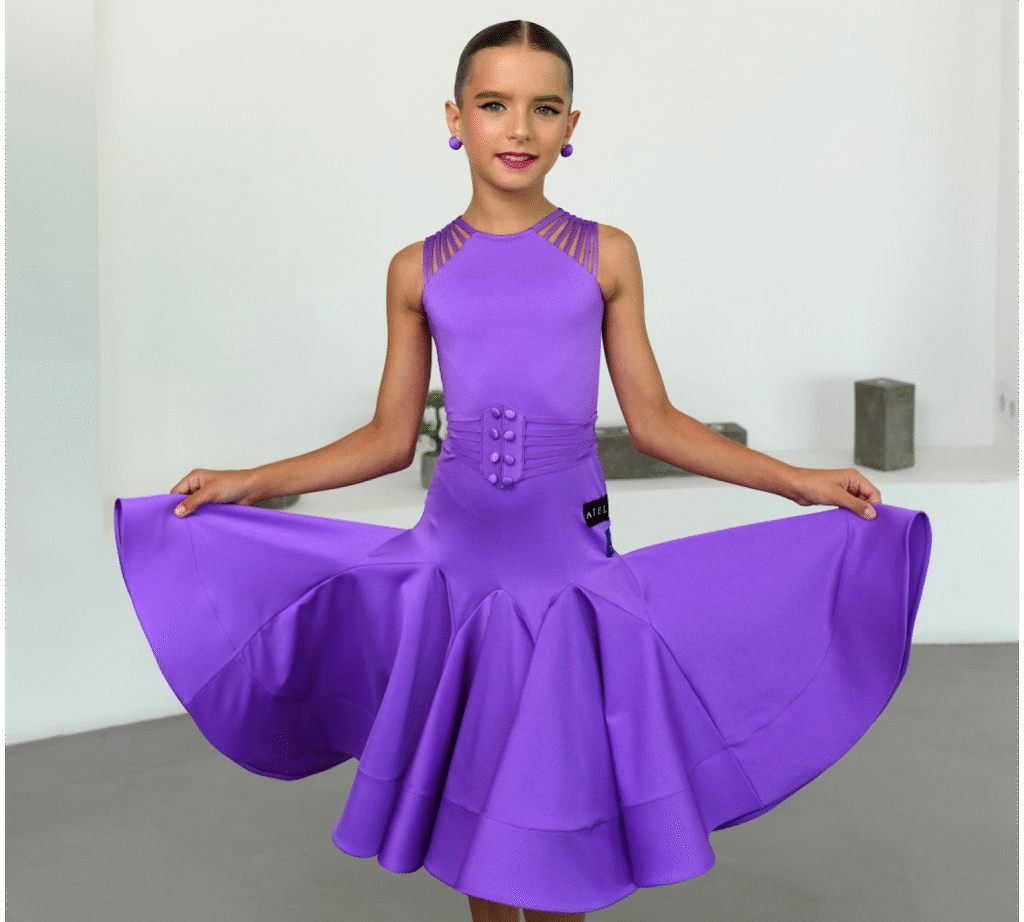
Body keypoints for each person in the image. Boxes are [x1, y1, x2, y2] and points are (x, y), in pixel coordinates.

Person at [114, 20, 932, 922]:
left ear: (571, 123)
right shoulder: (417, 270)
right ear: (455, 118)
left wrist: (800, 481)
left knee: (554, 817)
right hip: (455, 572)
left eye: (542, 109)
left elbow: (655, 423)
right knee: (482, 825)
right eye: (494, 104)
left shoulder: (603, 253)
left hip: (562, 577)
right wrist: (250, 481)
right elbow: (389, 439)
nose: (518, 128)